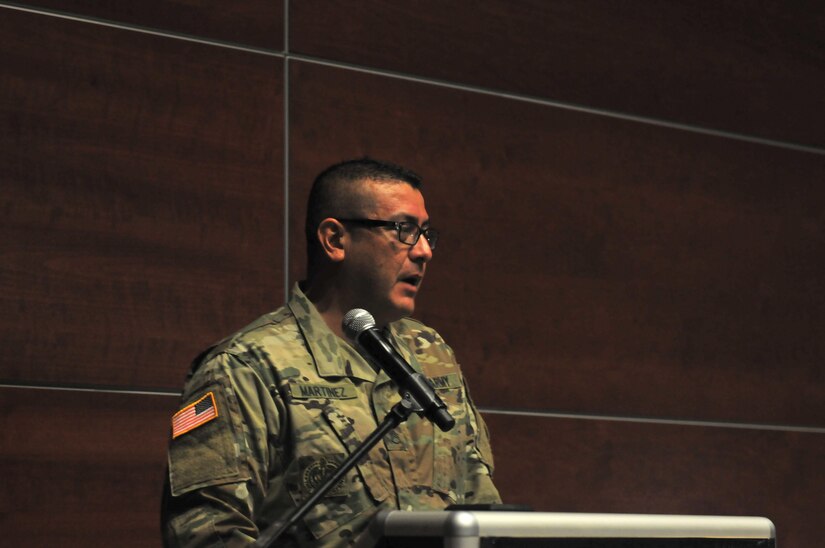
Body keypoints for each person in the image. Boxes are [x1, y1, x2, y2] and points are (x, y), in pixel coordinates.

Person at [161, 158, 501, 547]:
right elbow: (207, 534)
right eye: (404, 230)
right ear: (335, 240)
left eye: (426, 234)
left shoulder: (430, 353)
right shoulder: (245, 367)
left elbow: (483, 510)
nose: (424, 251)